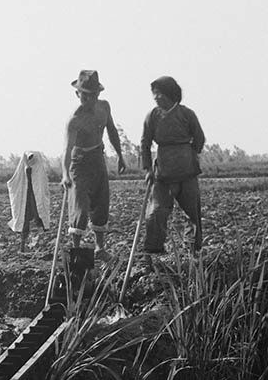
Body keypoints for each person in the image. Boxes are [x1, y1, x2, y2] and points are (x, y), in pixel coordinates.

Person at [139, 76, 206, 263]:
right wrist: (147, 170)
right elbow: (144, 144)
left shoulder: (187, 114)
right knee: (156, 212)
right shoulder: (152, 116)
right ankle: (153, 251)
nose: (156, 98)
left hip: (187, 172)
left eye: (159, 94)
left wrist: (189, 154)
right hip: (163, 173)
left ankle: (193, 250)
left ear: (170, 94)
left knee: (192, 213)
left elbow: (199, 139)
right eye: (154, 95)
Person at [61, 69, 126, 261]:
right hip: (79, 163)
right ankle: (77, 250)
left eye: (93, 95)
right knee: (80, 206)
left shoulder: (104, 108)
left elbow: (112, 131)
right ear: (77, 94)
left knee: (101, 201)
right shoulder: (75, 119)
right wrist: (65, 174)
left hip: (98, 158)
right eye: (85, 95)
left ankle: (100, 248)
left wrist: (120, 156)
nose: (88, 99)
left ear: (98, 94)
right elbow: (66, 149)